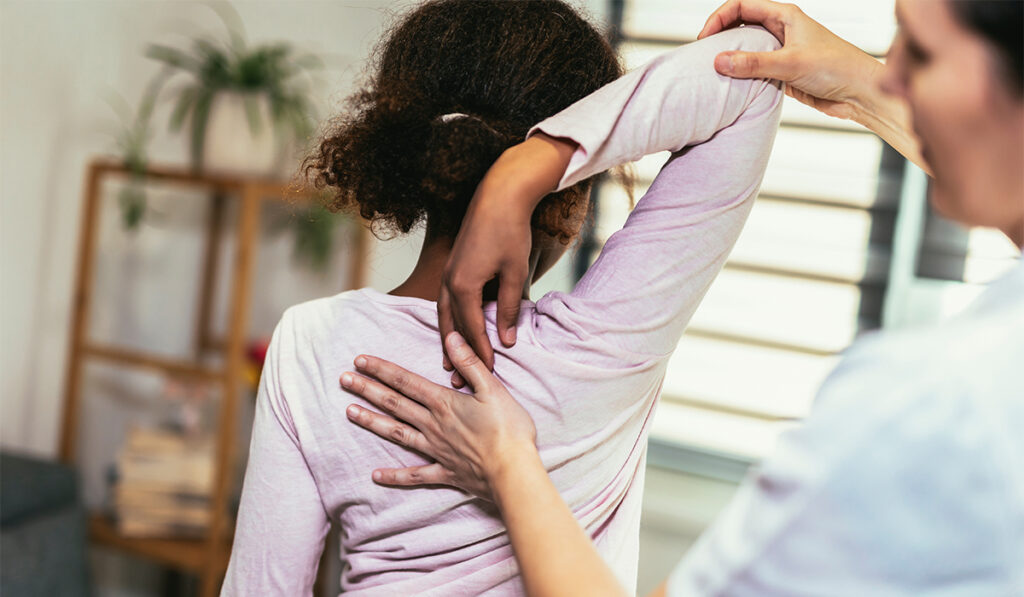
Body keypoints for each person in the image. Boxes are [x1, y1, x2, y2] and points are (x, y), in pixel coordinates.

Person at [342, 0, 1024, 595]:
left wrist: (507, 463)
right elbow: (748, 66)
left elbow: (748, 59)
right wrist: (539, 160)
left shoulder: (937, 401)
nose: (891, 75)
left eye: (922, 53)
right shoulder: (602, 346)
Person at [223, 0, 787, 593]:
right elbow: (755, 61)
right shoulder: (605, 347)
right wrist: (530, 170)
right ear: (574, 190)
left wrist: (513, 173)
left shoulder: (311, 345)